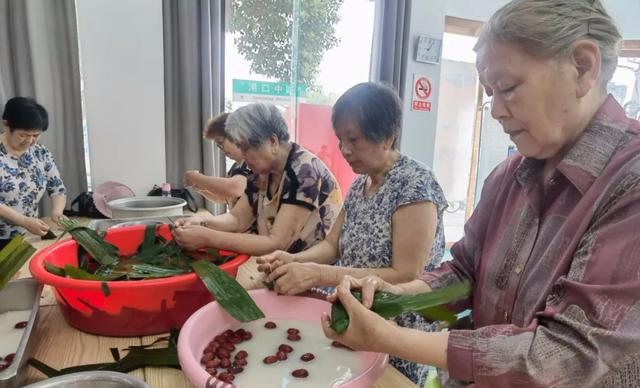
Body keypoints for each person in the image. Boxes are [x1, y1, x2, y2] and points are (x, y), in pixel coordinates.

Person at [320, 1, 640, 387]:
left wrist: (386, 337)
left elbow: (567, 355)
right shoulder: (509, 176)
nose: (496, 111)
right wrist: (396, 294)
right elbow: (463, 272)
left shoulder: (629, 182)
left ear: (583, 66)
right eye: (490, 93)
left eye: (508, 88)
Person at [256, 82, 448, 385]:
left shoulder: (415, 186)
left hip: (395, 326)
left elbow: (406, 273)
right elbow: (332, 245)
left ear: (387, 136)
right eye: (341, 139)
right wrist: (293, 261)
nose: (344, 150)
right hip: (352, 316)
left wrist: (317, 274)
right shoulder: (361, 184)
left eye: (354, 139)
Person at [174, 102, 342, 256]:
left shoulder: (304, 170)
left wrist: (207, 237)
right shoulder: (261, 172)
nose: (243, 156)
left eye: (246, 148)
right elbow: (238, 218)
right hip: (282, 265)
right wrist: (202, 222)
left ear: (272, 142)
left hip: (311, 271)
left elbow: (276, 242)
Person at [0, 97, 66, 249]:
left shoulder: (40, 152)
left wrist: (57, 211)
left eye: (35, 135)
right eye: (23, 135)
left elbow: (57, 187)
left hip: (28, 234)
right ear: (6, 125)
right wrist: (24, 221)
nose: (29, 141)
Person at [183, 112, 251, 208]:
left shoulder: (251, 162)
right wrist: (199, 187)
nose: (220, 148)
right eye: (217, 145)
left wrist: (196, 178)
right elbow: (222, 198)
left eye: (221, 142)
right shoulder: (236, 166)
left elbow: (234, 188)